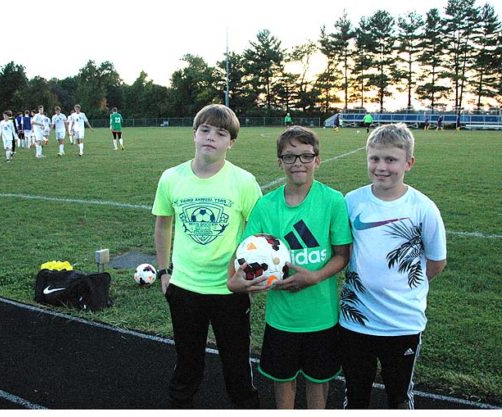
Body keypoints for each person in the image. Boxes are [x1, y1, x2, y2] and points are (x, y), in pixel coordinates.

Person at [228, 126, 352, 409]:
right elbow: (243, 253)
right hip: (281, 318)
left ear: (317, 160)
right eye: (290, 157)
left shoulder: (333, 201)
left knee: (318, 383)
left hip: (321, 316)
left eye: (306, 156)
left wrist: (314, 277)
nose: (298, 163)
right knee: (283, 381)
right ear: (279, 162)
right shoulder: (266, 205)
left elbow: (342, 255)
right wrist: (233, 282)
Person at [152, 104, 261, 409]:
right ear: (194, 135)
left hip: (229, 291)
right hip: (184, 289)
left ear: (231, 142)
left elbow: (258, 237)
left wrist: (247, 279)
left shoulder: (244, 182)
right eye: (205, 130)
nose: (211, 137)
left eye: (221, 132)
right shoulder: (171, 178)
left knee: (237, 368)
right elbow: (163, 226)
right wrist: (164, 273)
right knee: (187, 365)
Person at [338, 123, 447, 409]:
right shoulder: (352, 201)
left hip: (402, 324)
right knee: (356, 394)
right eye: (375, 158)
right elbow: (343, 250)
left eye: (391, 159)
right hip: (356, 322)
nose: (381, 167)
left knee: (399, 397)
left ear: (408, 163)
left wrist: (404, 290)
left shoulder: (423, 208)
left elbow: (436, 262)